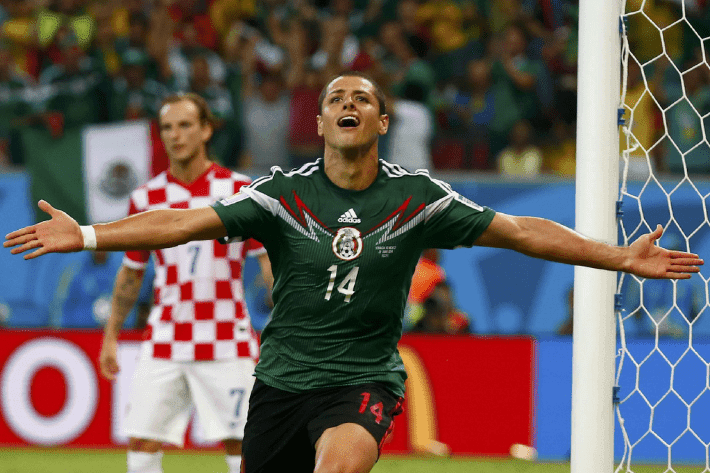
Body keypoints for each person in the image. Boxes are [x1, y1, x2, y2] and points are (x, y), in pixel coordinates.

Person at [4, 72, 704, 473]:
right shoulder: (280, 195)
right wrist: (87, 233)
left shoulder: (417, 198)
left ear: (381, 121)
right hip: (281, 381)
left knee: (338, 465)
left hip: (361, 380)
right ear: (319, 122)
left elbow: (520, 231)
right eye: (336, 98)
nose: (348, 104)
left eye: (362, 98)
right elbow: (182, 222)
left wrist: (619, 255)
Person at [103, 93, 273, 473]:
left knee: (244, 442)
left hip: (228, 338)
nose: (175, 135)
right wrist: (111, 334)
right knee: (142, 440)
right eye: (167, 127)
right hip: (165, 338)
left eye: (185, 125)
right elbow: (132, 272)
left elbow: (269, 264)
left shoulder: (240, 190)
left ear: (206, 130)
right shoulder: (146, 198)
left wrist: (289, 323)